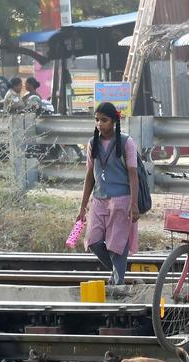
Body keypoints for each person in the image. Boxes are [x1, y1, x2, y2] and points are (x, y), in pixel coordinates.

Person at [76, 101, 140, 286]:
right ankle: (118, 274)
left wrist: (134, 204)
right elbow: (90, 175)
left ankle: (118, 284)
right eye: (97, 120)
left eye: (104, 120)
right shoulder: (92, 143)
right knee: (93, 241)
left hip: (122, 200)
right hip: (98, 199)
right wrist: (82, 207)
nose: (99, 124)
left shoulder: (126, 142)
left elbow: (133, 174)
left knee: (116, 245)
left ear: (114, 121)